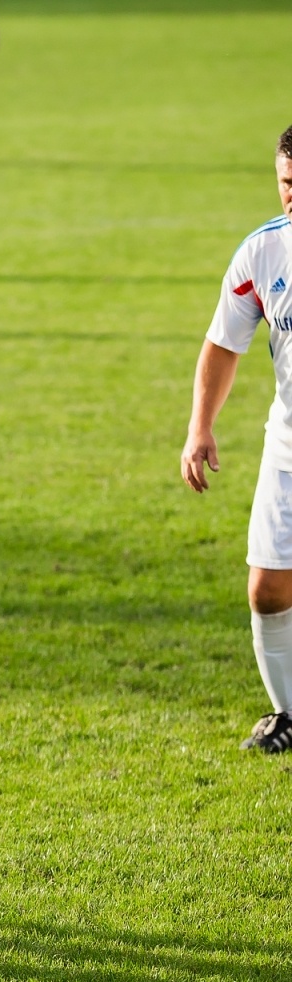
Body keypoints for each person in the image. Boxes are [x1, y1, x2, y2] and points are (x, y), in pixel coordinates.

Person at [182, 124, 292, 755]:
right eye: (285, 184)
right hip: (287, 444)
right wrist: (201, 426)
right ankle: (288, 713)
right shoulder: (262, 254)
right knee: (267, 588)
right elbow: (223, 346)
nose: (291, 197)